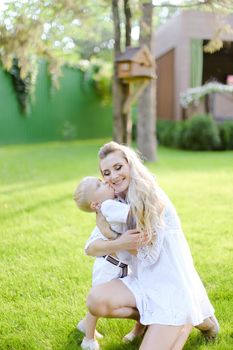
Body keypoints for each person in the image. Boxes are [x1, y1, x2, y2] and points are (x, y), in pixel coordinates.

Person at [84, 141, 219, 350]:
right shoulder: (116, 201)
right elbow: (90, 248)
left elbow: (149, 256)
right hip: (143, 281)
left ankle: (203, 320)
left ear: (130, 165)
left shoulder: (151, 197)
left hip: (170, 285)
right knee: (95, 299)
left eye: (118, 168)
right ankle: (157, 318)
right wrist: (116, 237)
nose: (113, 176)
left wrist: (115, 238)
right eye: (107, 172)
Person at [74, 176, 143, 350]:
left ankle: (87, 326)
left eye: (100, 180)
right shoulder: (108, 206)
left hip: (118, 265)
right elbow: (132, 213)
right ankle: (88, 339)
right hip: (108, 266)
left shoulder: (112, 202)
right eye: (99, 185)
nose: (105, 181)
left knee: (101, 301)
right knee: (96, 303)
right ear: (95, 205)